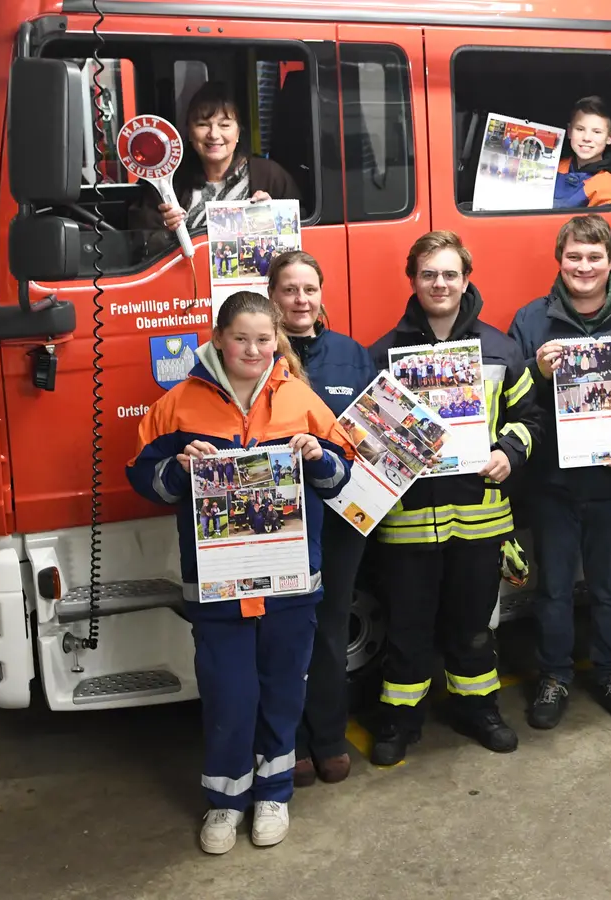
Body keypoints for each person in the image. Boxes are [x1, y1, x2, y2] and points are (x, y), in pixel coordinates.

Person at [124, 291, 353, 855]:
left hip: (291, 582)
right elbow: (142, 477)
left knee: (281, 690)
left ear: (277, 340)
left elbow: (341, 474)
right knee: (229, 694)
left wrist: (319, 458)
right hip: (218, 586)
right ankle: (225, 802)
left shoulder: (301, 399)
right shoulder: (177, 404)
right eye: (241, 338)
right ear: (220, 338)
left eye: (263, 339)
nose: (253, 349)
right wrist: (178, 471)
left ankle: (273, 794)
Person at [365, 231, 546, 766]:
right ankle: (400, 719)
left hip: (479, 520)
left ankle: (478, 709)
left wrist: (510, 452)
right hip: (409, 524)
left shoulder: (502, 350)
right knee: (406, 629)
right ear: (413, 281)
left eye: (449, 274)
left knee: (472, 627)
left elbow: (529, 419)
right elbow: (369, 437)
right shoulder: (384, 354)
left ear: (466, 279)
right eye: (428, 274)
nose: (439, 283)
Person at [507, 215, 611, 731]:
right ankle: (554, 676)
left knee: (610, 587)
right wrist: (537, 371)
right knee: (553, 588)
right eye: (574, 256)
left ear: (610, 261)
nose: (584, 266)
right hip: (552, 484)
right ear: (560, 260)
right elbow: (510, 405)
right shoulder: (531, 321)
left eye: (594, 256)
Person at [266, 250, 376, 789]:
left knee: (331, 629)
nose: (301, 300)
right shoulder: (257, 356)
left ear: (322, 294)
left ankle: (329, 738)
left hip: (339, 518)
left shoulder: (354, 357)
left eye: (309, 289)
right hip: (275, 521)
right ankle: (289, 744)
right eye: (289, 290)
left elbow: (376, 441)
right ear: (273, 298)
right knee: (285, 634)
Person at [130, 82, 302, 256]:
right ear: (189, 132)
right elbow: (140, 245)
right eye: (203, 124)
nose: (213, 134)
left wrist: (276, 216)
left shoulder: (269, 175)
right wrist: (167, 232)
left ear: (238, 132)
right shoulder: (168, 180)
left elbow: (301, 236)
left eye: (225, 125)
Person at [553, 96, 611, 209]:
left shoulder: (608, 185)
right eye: (580, 129)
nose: (586, 138)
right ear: (569, 131)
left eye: (596, 132)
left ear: (610, 137)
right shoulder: (555, 166)